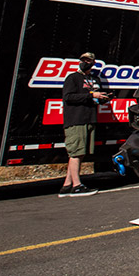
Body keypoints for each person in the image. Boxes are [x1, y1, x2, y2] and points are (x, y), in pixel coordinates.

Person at [59, 52, 109, 197]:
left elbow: (96, 96)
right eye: (83, 60)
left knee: (80, 154)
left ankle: (66, 186)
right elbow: (68, 97)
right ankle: (77, 186)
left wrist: (103, 98)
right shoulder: (73, 78)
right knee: (76, 153)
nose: (85, 62)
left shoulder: (94, 79)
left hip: (90, 118)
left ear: (93, 63)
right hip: (76, 119)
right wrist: (91, 95)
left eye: (88, 60)